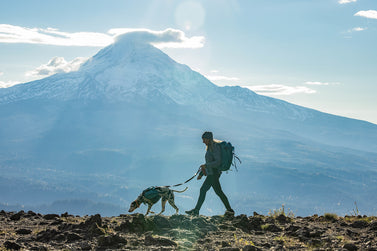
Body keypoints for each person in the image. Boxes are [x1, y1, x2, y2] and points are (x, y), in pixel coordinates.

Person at [185, 131, 234, 216]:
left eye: (204, 139)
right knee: (219, 192)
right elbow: (209, 163)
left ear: (208, 139)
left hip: (214, 173)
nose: (203, 141)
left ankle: (196, 210)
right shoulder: (210, 147)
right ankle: (230, 210)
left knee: (203, 190)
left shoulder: (215, 147)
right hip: (212, 173)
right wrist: (201, 173)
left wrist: (206, 166)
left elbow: (218, 162)